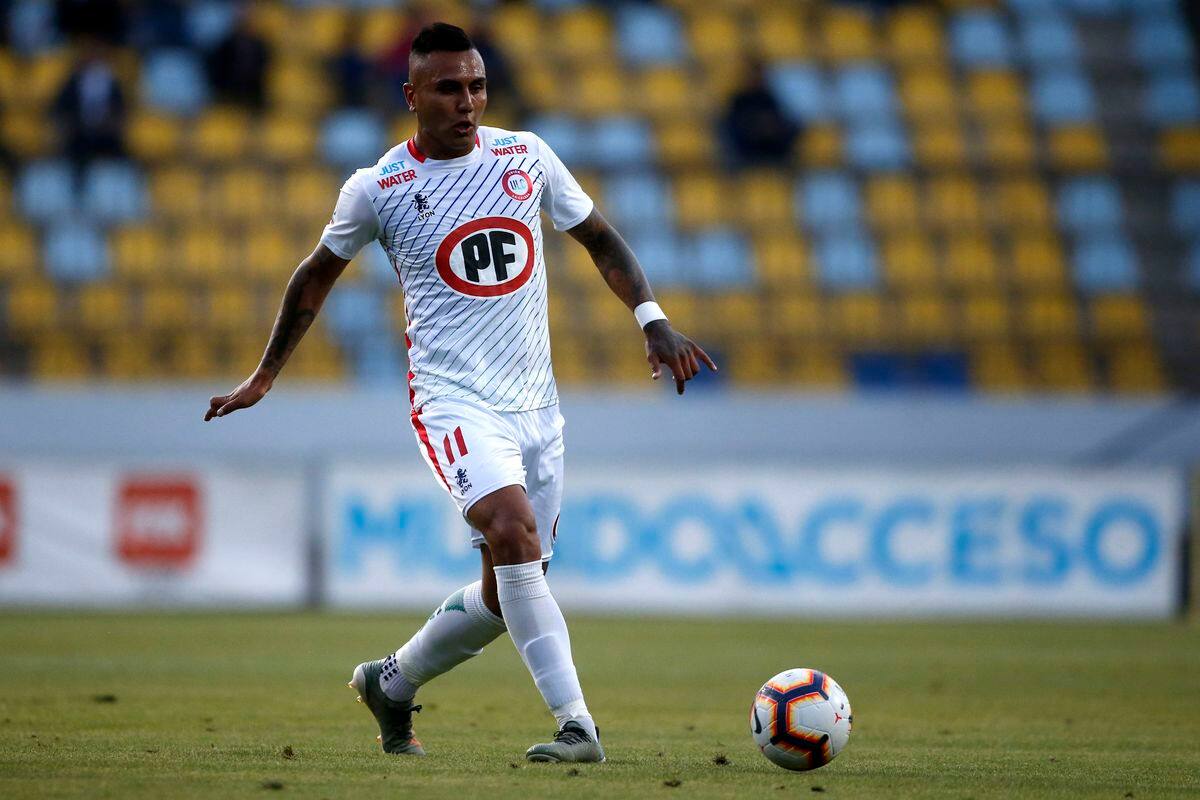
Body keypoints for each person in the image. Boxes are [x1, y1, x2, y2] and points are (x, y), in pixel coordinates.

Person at [203, 22, 715, 764]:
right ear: (412, 96)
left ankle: (392, 682)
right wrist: (266, 374)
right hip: (451, 402)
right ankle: (579, 726)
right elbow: (313, 275)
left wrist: (653, 319)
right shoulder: (380, 187)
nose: (467, 101)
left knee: (511, 591)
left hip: (537, 407)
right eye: (448, 88)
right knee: (512, 533)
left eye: (476, 85)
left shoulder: (526, 156)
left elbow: (601, 238)